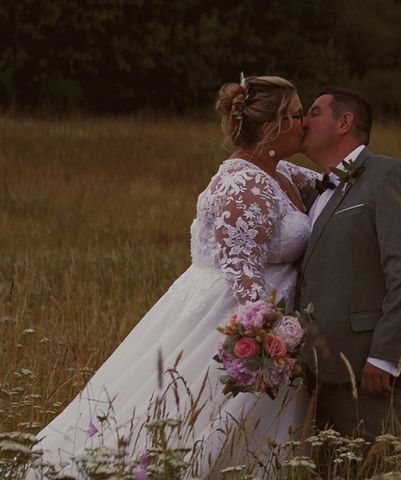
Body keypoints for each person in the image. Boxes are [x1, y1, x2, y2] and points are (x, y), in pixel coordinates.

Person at [28, 76, 320, 479]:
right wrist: (270, 339)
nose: (305, 123)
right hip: (235, 316)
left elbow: (331, 185)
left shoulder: (280, 170)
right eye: (296, 115)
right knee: (192, 414)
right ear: (271, 127)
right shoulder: (242, 183)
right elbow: (242, 271)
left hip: (272, 312)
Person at [299, 87, 401, 441]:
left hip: (374, 371)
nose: (303, 121)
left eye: (314, 112)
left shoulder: (390, 175)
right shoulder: (317, 191)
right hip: (326, 372)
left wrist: (385, 356)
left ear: (344, 122)